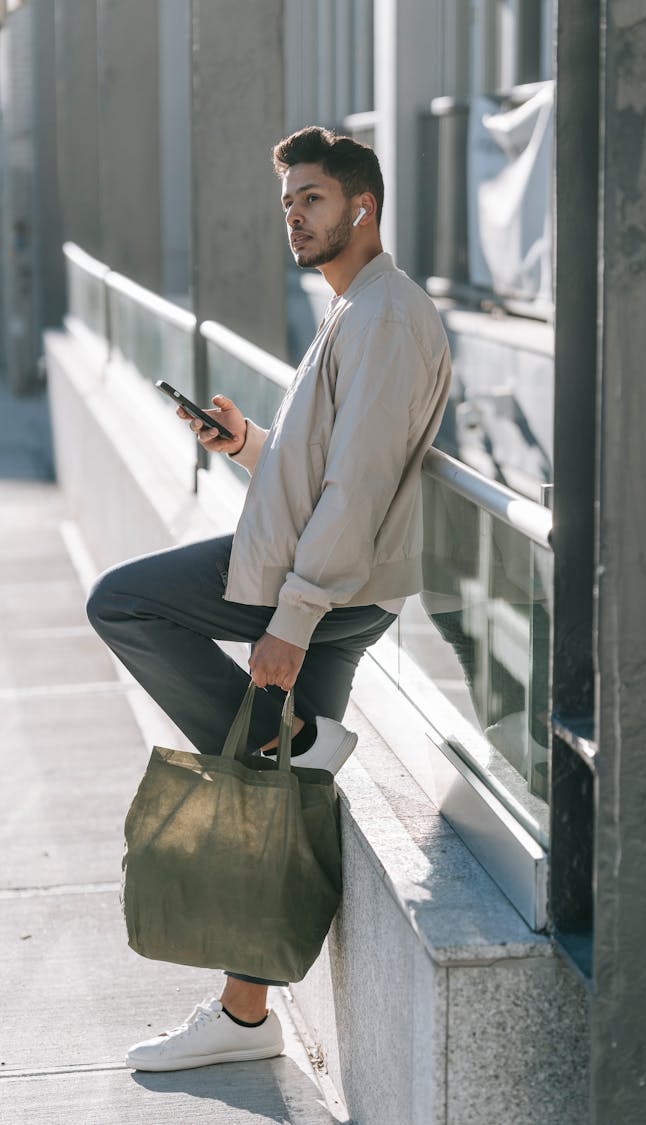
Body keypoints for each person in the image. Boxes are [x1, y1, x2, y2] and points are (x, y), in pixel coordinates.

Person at [87, 126, 451, 1072]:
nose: (295, 215)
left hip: (313, 586)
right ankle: (247, 1014)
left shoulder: (384, 317)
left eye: (315, 199)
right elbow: (320, 465)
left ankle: (282, 735)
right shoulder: (354, 309)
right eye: (288, 201)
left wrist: (288, 624)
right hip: (333, 580)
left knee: (124, 603)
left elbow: (359, 487)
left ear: (362, 206)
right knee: (274, 794)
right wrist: (247, 441)